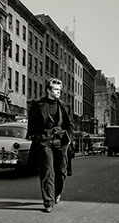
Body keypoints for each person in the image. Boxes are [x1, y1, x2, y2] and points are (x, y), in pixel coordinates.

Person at [28, 78, 74, 212]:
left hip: (61, 141)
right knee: (47, 171)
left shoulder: (64, 106)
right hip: (45, 141)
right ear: (48, 90)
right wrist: (36, 137)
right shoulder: (38, 105)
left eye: (59, 90)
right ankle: (48, 201)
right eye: (56, 89)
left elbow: (69, 125)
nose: (58, 92)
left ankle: (57, 193)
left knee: (61, 171)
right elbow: (32, 124)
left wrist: (70, 138)